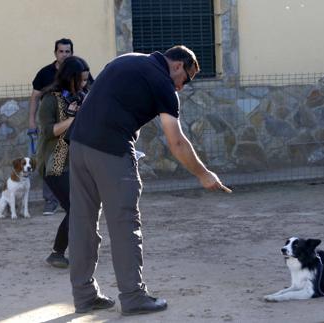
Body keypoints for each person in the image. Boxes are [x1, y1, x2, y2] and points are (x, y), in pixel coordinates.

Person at [67, 45, 232, 315]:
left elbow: (97, 102)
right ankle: (133, 297)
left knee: (82, 223)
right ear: (178, 66)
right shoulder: (163, 83)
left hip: (79, 145)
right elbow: (177, 142)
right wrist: (203, 174)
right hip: (111, 151)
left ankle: (84, 295)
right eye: (185, 80)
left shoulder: (126, 60)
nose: (181, 87)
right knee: (124, 225)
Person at [36, 56, 91, 268]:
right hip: (54, 162)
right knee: (77, 208)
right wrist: (74, 118)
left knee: (80, 208)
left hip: (76, 160)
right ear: (70, 78)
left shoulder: (81, 95)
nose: (84, 84)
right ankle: (57, 253)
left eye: (86, 80)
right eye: (81, 80)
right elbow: (49, 131)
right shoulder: (50, 99)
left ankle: (66, 251)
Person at [29, 38, 74, 216]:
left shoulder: (76, 70)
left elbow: (89, 90)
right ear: (55, 53)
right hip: (50, 126)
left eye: (67, 51)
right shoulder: (45, 73)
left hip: (71, 125)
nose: (64, 54)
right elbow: (34, 98)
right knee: (49, 162)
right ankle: (50, 201)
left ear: (72, 53)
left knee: (68, 163)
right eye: (61, 51)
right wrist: (31, 121)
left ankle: (68, 201)